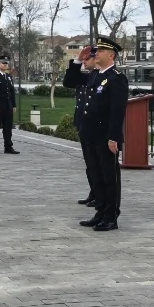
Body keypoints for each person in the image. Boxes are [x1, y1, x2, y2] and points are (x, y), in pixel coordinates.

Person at [77, 38, 129, 232]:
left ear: (111, 55)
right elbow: (71, 80)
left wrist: (113, 137)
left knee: (109, 177)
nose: (96, 53)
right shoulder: (95, 75)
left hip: (106, 137)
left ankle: (110, 216)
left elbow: (117, 111)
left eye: (101, 50)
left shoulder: (116, 78)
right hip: (90, 134)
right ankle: (100, 211)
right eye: (96, 50)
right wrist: (77, 61)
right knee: (96, 176)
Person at [64, 46, 99, 206]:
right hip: (83, 124)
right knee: (90, 164)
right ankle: (94, 192)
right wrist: (77, 60)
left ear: (96, 58)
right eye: (83, 60)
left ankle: (100, 195)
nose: (84, 62)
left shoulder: (101, 77)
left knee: (98, 164)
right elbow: (68, 81)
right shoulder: (87, 76)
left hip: (96, 126)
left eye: (87, 59)